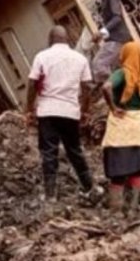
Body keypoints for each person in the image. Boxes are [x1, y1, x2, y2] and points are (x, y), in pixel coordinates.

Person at [24, 25, 97, 202]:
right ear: (67, 40)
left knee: (49, 152)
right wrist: (85, 110)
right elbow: (87, 87)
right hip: (70, 111)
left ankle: (50, 195)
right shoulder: (80, 59)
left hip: (47, 111)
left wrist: (28, 108)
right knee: (74, 149)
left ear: (51, 40)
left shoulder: (42, 56)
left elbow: (32, 83)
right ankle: (88, 186)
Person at [101, 41, 140, 214]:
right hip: (139, 126)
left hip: (121, 126)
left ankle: (115, 209)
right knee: (137, 170)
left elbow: (106, 86)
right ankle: (133, 208)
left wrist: (113, 107)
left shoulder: (122, 73)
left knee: (117, 171)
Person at [86, 0, 133, 85]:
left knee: (99, 64)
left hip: (118, 39)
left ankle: (111, 87)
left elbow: (117, 17)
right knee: (115, 67)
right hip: (117, 39)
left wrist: (102, 32)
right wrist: (102, 35)